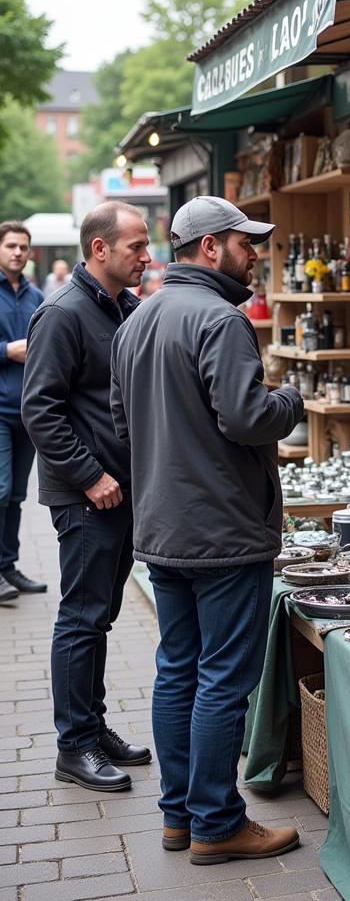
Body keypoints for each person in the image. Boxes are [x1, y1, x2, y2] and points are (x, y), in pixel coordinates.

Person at [110, 196, 305, 864]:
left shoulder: (139, 319)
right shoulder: (221, 319)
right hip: (221, 531)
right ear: (211, 247)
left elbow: (121, 422)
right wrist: (290, 400)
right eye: (245, 242)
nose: (255, 252)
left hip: (163, 527)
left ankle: (179, 817)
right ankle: (217, 823)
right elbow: (248, 419)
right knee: (222, 678)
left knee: (178, 671)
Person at [22, 201, 152, 791]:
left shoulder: (122, 307)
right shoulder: (63, 313)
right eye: (135, 247)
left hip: (120, 492)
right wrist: (90, 477)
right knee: (80, 617)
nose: (146, 257)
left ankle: (92, 726)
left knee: (99, 616)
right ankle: (73, 746)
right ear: (99, 249)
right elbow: (40, 411)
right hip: (87, 496)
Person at [0, 222, 45, 602]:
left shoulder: (36, 296)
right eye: (11, 246)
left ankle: (7, 567)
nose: (18, 252)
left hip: (27, 412)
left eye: (24, 247)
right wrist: (5, 351)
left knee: (15, 495)